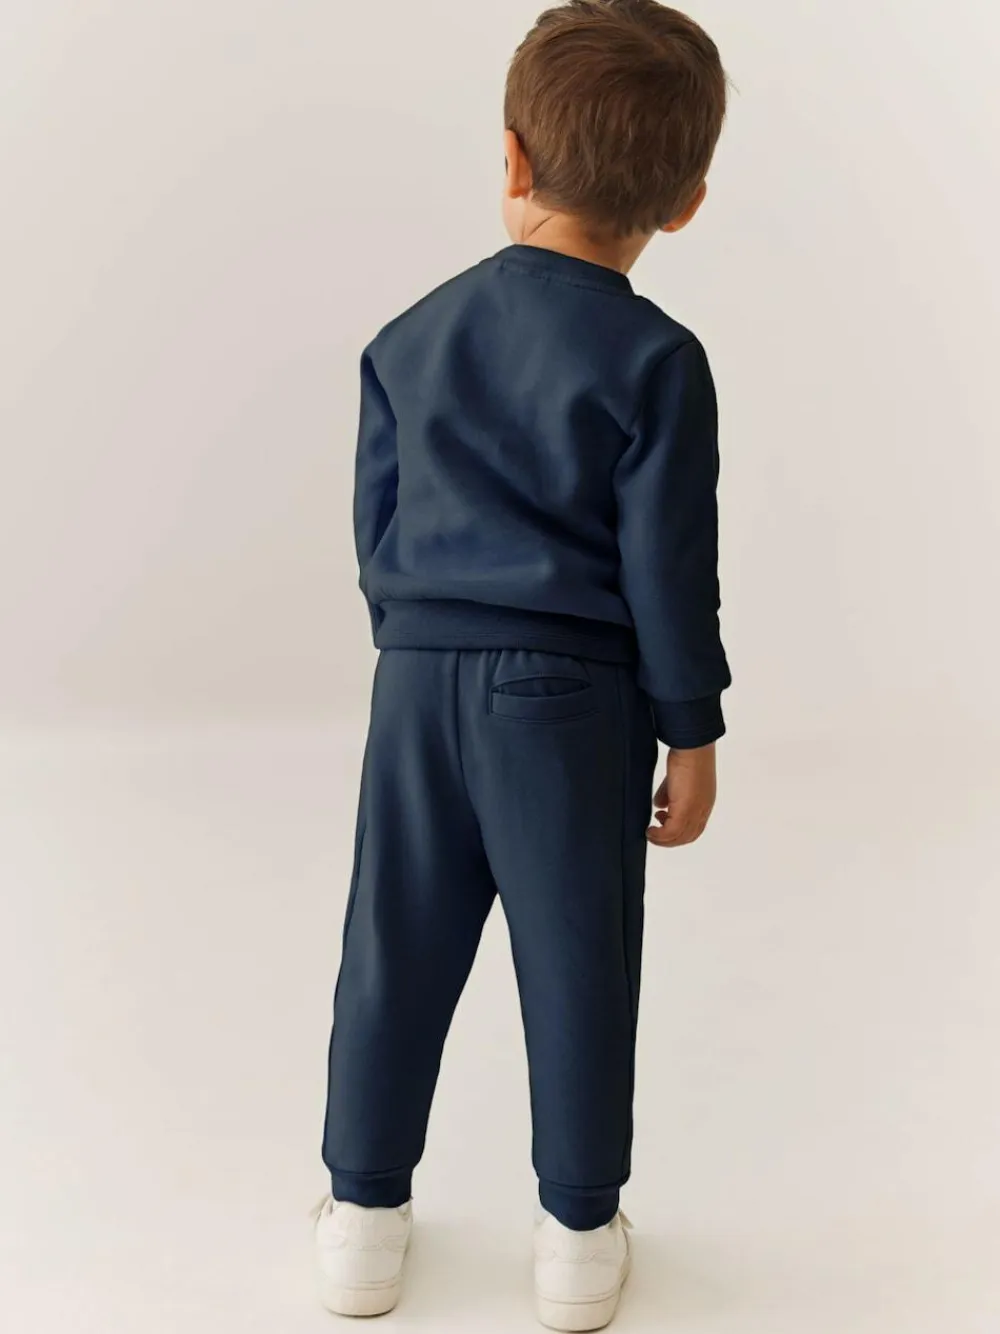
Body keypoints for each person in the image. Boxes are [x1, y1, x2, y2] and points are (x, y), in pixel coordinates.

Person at [314, 2, 731, 1327]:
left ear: (511, 157)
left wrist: (420, 642)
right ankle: (576, 1238)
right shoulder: (658, 361)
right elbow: (668, 567)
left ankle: (363, 1221)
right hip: (573, 700)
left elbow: (377, 526)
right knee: (576, 958)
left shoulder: (408, 335)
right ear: (686, 204)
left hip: (414, 683)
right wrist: (691, 726)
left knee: (393, 947)